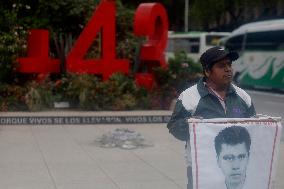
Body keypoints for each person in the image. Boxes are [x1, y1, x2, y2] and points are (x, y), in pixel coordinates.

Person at [167, 46, 256, 189]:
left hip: (236, 170)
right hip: (201, 169)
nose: (228, 69)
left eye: (229, 65)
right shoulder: (189, 97)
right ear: (207, 71)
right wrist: (190, 125)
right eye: (222, 66)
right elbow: (174, 127)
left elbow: (255, 130)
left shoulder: (243, 97)